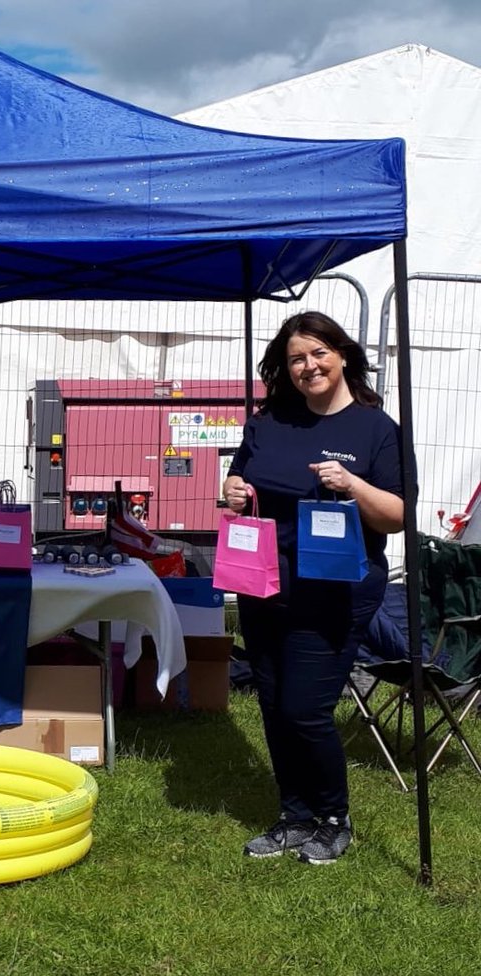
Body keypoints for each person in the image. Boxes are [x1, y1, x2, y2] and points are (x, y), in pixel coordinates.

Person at [223, 310, 408, 865]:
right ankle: (294, 815)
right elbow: (241, 481)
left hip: (334, 592)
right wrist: (231, 490)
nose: (309, 366)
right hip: (263, 585)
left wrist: (352, 483)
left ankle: (333, 816)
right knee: (276, 706)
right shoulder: (270, 420)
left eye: (318, 353)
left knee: (305, 709)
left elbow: (397, 515)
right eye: (296, 358)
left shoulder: (377, 429)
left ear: (343, 354)